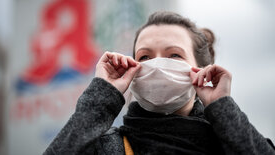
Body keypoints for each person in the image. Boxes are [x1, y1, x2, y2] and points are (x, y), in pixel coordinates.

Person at [44, 11, 275, 155]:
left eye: (174, 55)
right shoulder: (107, 148)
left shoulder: (230, 145)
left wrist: (222, 108)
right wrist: (102, 96)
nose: (157, 65)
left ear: (203, 71)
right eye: (144, 57)